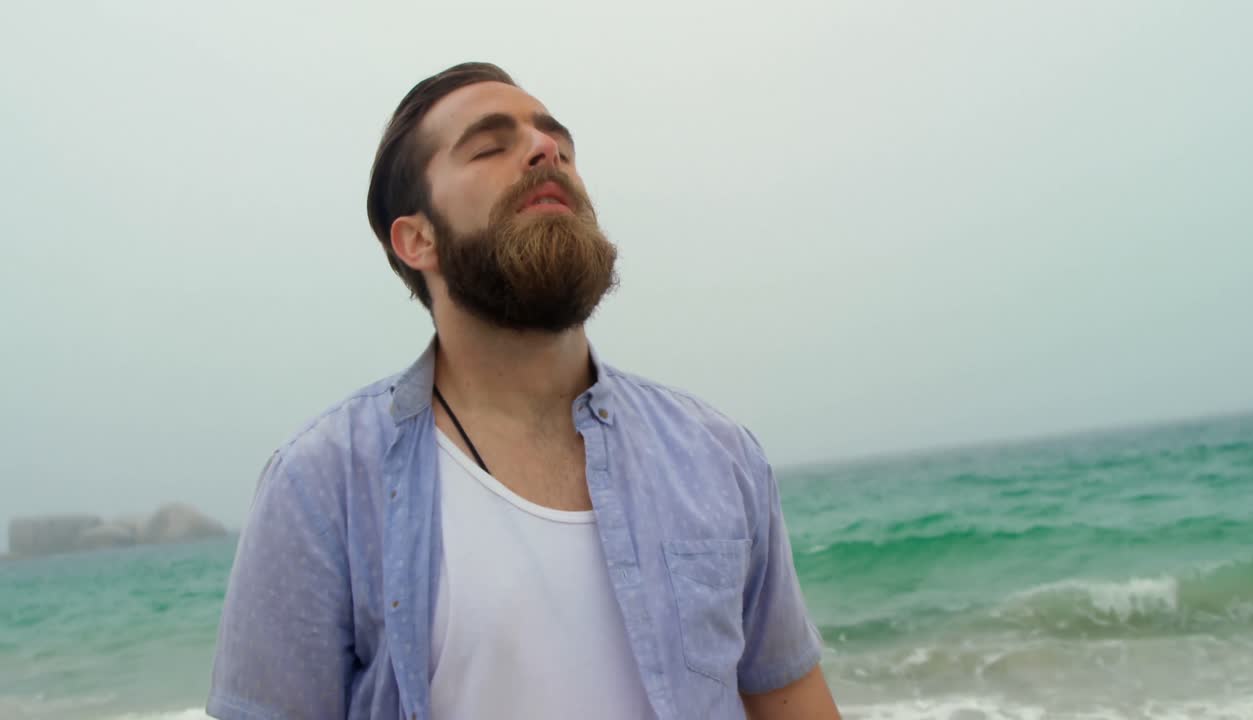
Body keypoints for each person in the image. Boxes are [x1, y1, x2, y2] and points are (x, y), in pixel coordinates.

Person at [207, 61, 840, 720]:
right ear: (416, 239)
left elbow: (791, 702)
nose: (546, 151)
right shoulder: (321, 486)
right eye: (489, 146)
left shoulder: (718, 456)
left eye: (557, 142)